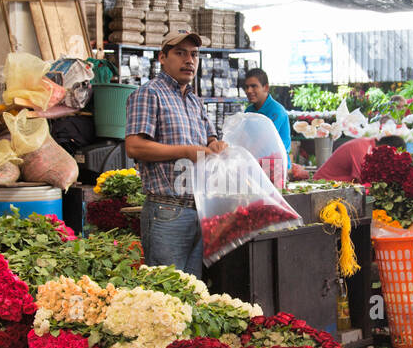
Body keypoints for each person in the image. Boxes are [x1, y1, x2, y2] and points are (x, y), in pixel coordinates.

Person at [124, 31, 226, 277]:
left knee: (193, 293)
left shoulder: (194, 100)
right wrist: (186, 152)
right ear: (162, 57)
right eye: (180, 53)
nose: (189, 60)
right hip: (166, 211)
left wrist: (217, 146)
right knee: (168, 294)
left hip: (199, 208)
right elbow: (134, 146)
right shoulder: (148, 94)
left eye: (194, 54)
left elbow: (210, 139)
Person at [242, 67, 291, 171]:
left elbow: (264, 140)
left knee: (276, 188)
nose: (249, 91)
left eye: (254, 86)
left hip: (277, 166)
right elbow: (244, 138)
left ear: (266, 87)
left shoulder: (277, 111)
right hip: (257, 164)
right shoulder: (249, 111)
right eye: (246, 87)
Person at [316, 134, 406, 183]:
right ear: (386, 147)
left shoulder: (370, 145)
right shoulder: (362, 148)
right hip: (324, 185)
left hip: (342, 186)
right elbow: (363, 180)